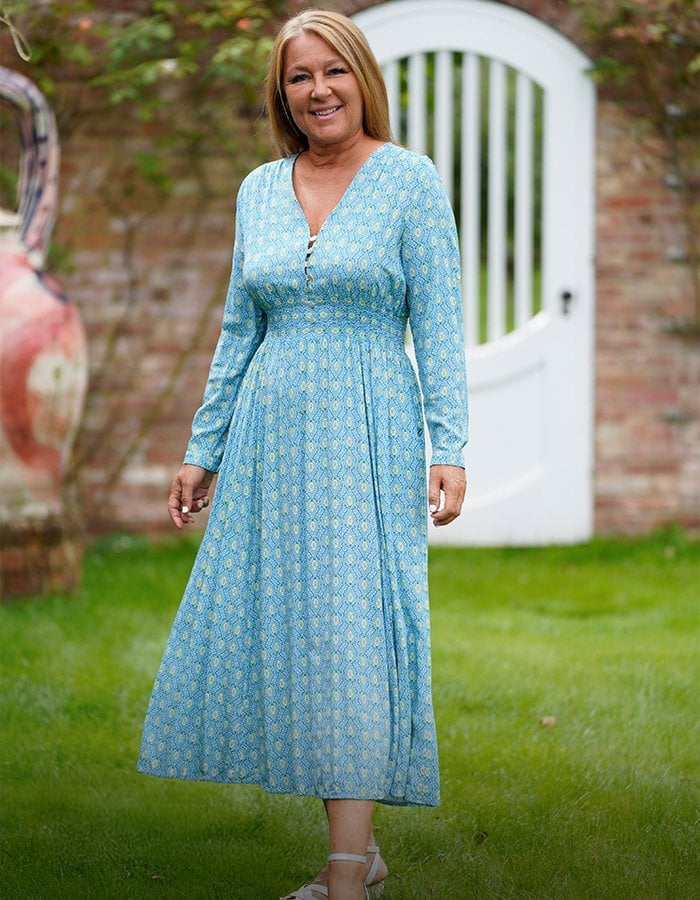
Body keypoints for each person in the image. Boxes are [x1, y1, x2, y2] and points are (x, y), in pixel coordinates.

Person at [137, 9, 468, 900]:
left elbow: (439, 324)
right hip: (271, 438)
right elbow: (238, 329)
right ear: (281, 94)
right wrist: (203, 448)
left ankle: (345, 876)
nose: (318, 90)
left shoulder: (408, 181)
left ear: (362, 78)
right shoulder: (258, 189)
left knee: (353, 639)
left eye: (333, 71)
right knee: (310, 643)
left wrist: (450, 447)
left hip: (367, 431)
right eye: (299, 77)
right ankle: (358, 854)